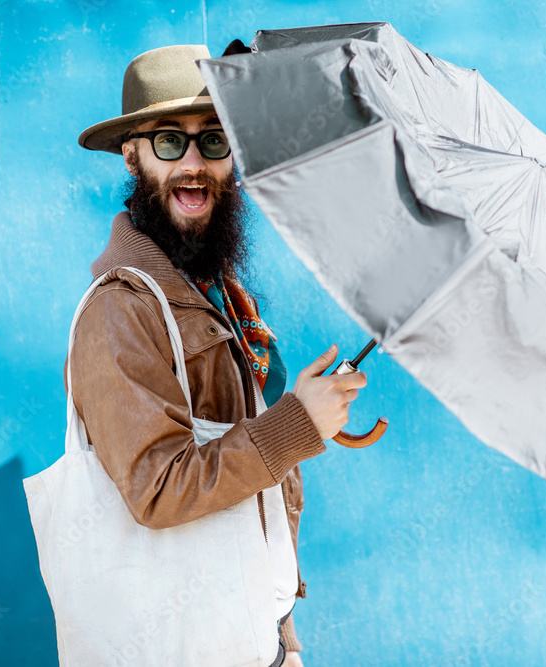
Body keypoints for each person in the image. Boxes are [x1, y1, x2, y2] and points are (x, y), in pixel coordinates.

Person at [72, 42, 367, 666]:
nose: (194, 163)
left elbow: (254, 467)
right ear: (132, 155)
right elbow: (159, 488)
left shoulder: (223, 295)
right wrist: (296, 425)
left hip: (252, 640)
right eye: (168, 141)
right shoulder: (119, 309)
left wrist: (283, 631)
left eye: (213, 140)